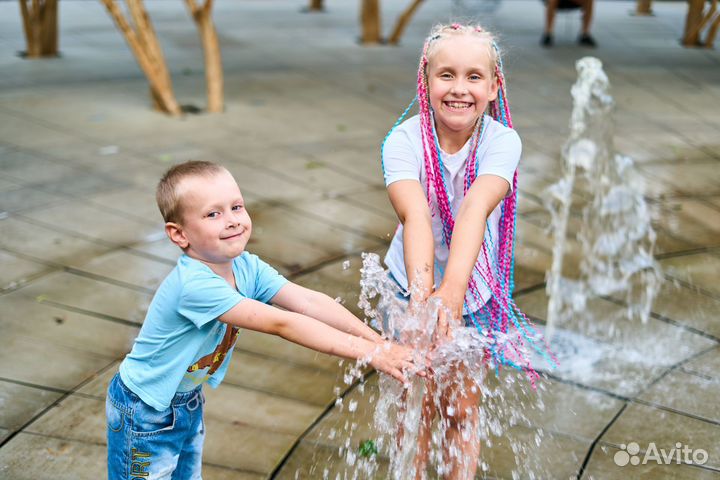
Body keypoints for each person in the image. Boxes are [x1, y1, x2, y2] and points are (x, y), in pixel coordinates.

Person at [106, 160, 422, 479]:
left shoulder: (246, 267)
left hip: (184, 402)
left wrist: (378, 342)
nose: (231, 221)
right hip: (144, 409)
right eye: (213, 214)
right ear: (179, 234)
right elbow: (283, 323)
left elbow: (308, 302)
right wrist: (371, 354)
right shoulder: (194, 286)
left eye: (236, 207)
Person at [381, 23, 554, 478]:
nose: (459, 89)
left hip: (473, 292)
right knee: (414, 409)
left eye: (474, 76)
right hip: (407, 284)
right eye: (447, 75)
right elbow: (414, 216)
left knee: (459, 409)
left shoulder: (502, 142)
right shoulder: (403, 141)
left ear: (495, 86)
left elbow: (476, 209)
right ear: (426, 80)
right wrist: (423, 301)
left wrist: (452, 292)